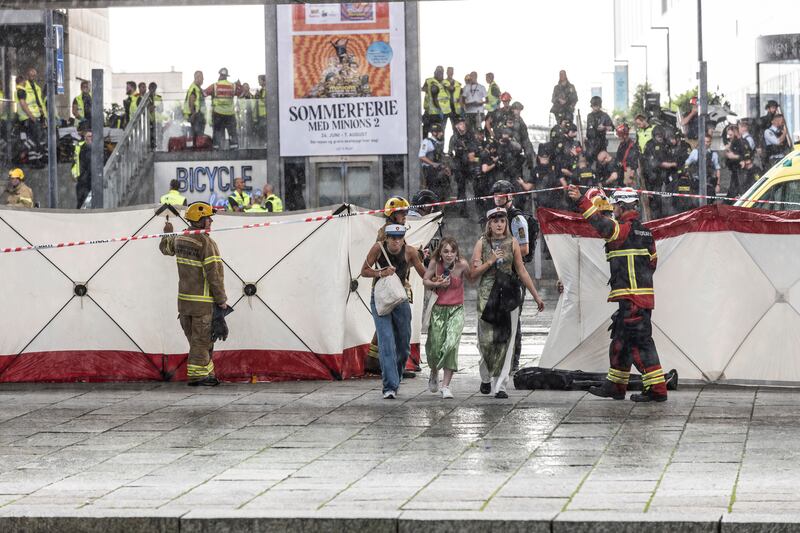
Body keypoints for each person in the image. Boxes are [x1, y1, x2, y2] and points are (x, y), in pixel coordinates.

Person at [566, 186, 668, 402]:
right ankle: (616, 385)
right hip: (639, 299)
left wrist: (582, 201)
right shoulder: (645, 232)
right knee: (620, 342)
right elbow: (652, 263)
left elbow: (602, 226)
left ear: (621, 207)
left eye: (615, 206)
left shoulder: (623, 230)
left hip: (632, 299)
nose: (613, 210)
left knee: (640, 344)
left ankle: (657, 389)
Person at [472, 207, 544, 398]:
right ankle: (486, 376)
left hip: (508, 293)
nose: (499, 224)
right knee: (485, 340)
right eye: (495, 221)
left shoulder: (512, 242)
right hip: (487, 294)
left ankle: (501, 385)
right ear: (489, 223)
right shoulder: (482, 242)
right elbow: (473, 273)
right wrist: (491, 261)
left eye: (502, 220)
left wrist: (536, 296)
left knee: (507, 340)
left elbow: (521, 270)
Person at [160, 202, 228, 386]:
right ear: (199, 220)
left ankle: (208, 374)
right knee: (201, 342)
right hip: (202, 304)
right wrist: (222, 300)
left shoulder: (182, 238)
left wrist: (168, 231)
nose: (211, 221)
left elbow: (165, 248)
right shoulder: (206, 243)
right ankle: (199, 376)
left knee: (198, 341)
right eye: (208, 218)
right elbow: (215, 275)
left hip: (184, 305)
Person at [360, 222, 425, 399]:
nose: (396, 242)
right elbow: (364, 271)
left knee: (404, 345)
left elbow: (423, 274)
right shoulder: (378, 248)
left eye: (399, 238)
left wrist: (437, 279)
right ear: (386, 238)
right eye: (392, 238)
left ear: (403, 238)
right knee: (386, 340)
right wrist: (381, 273)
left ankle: (395, 376)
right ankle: (389, 386)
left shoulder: (410, 251)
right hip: (380, 298)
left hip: (400, 298)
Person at [491, 179, 533, 372]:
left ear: (509, 196)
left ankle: (513, 362)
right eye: (495, 195)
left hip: (514, 275)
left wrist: (503, 253)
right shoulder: (496, 217)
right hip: (500, 275)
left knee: (513, 318)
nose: (497, 198)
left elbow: (524, 249)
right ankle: (502, 358)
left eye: (501, 195)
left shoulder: (516, 219)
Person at [423, 237, 468, 399]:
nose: (449, 255)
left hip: (456, 309)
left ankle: (446, 386)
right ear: (440, 253)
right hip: (438, 309)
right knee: (435, 347)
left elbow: (474, 277)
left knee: (451, 344)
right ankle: (434, 371)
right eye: (446, 251)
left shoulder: (462, 265)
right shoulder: (435, 264)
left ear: (457, 253)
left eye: (452, 251)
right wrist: (437, 284)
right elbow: (425, 280)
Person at [448, 116, 477, 217]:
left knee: (474, 189)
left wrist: (468, 151)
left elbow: (474, 152)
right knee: (461, 190)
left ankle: (476, 211)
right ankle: (463, 211)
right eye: (460, 123)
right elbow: (450, 153)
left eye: (463, 123)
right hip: (459, 167)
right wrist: (452, 166)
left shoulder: (470, 136)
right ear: (456, 126)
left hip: (470, 166)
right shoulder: (454, 138)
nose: (462, 125)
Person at [205, 68, 239, 150]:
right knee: (232, 132)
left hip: (218, 113)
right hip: (230, 113)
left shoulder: (214, 86)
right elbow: (241, 93)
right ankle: (234, 148)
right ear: (227, 76)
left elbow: (204, 93)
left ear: (220, 75)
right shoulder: (233, 86)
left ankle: (217, 149)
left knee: (217, 132)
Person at [15, 68, 47, 153]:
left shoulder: (37, 87)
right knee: (33, 139)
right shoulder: (22, 88)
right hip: (29, 117)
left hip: (35, 116)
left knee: (36, 138)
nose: (32, 77)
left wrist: (43, 115)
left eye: (34, 75)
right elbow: (23, 104)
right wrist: (32, 116)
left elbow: (38, 102)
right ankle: (33, 159)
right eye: (30, 75)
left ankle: (37, 157)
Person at [419, 123, 449, 202]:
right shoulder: (427, 142)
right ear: (434, 133)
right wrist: (433, 164)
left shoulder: (438, 142)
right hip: (430, 171)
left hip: (438, 171)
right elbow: (421, 156)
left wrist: (444, 167)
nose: (442, 134)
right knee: (433, 191)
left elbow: (439, 158)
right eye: (440, 132)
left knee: (442, 191)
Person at [684, 133, 721, 199]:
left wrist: (718, 185)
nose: (706, 143)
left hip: (709, 184)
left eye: (708, 141)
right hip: (697, 183)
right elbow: (686, 163)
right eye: (704, 141)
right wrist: (687, 172)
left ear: (710, 142)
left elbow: (717, 170)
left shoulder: (714, 154)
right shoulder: (695, 152)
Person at [421, 66, 450, 138]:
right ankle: (424, 146)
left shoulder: (446, 82)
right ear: (435, 72)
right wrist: (429, 89)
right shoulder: (429, 80)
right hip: (429, 111)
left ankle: (438, 148)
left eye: (441, 73)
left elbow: (450, 91)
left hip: (440, 112)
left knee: (439, 132)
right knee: (425, 130)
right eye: (438, 72)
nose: (440, 74)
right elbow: (423, 88)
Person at [585, 96, 613, 163]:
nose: (595, 108)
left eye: (596, 106)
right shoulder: (589, 116)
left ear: (600, 105)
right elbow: (589, 129)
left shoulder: (604, 115)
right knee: (590, 164)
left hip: (601, 143)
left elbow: (612, 128)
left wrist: (605, 127)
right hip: (591, 144)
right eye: (593, 106)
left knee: (602, 163)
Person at [183, 71, 206, 141]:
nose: (203, 79)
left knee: (197, 135)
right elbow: (191, 100)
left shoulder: (197, 88)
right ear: (197, 78)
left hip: (196, 115)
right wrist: (193, 114)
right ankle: (197, 150)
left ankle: (197, 148)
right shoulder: (194, 88)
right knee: (197, 135)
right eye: (202, 77)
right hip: (195, 116)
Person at [74, 131, 93, 209]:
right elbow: (76, 162)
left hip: (90, 179)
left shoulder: (96, 148)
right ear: (85, 138)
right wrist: (76, 175)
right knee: (82, 201)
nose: (90, 138)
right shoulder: (81, 148)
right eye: (88, 136)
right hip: (83, 179)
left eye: (91, 136)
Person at [442, 67, 463, 131]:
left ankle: (456, 140)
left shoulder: (458, 84)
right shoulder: (442, 82)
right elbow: (450, 89)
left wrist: (460, 100)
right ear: (446, 72)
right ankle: (440, 141)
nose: (450, 72)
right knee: (442, 128)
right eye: (449, 71)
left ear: (453, 72)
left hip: (455, 109)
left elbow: (461, 95)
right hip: (444, 108)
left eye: (451, 71)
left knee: (456, 128)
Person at [255, 75, 267, 145]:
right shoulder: (261, 90)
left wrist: (259, 96)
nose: (258, 82)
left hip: (265, 114)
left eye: (259, 80)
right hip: (260, 115)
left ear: (264, 81)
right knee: (261, 131)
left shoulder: (267, 90)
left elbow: (267, 102)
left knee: (263, 132)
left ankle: (265, 145)